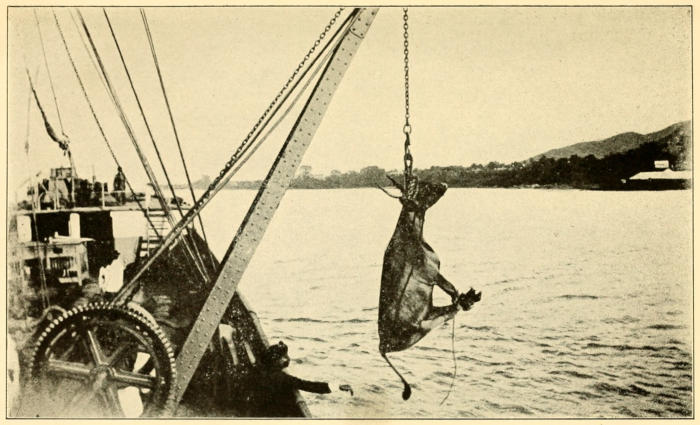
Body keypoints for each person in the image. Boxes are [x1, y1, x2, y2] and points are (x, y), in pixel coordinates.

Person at [247, 341, 353, 416]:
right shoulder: (283, 378)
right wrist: (337, 387)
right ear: (277, 360)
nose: (288, 358)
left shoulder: (260, 369)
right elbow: (308, 386)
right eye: (285, 356)